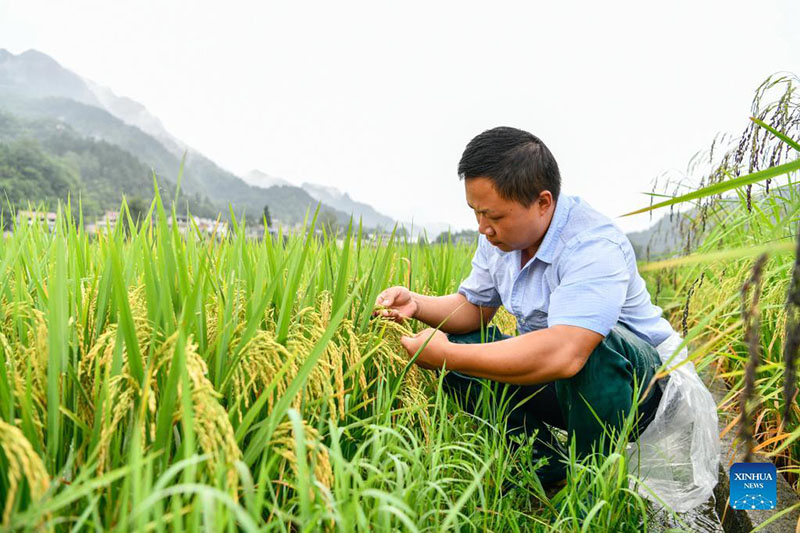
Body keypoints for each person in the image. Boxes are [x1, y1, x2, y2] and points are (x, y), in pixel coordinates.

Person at [374, 126, 682, 488]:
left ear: (543, 202)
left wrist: (446, 356)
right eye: (476, 213)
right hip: (563, 379)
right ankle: (546, 471)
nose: (483, 228)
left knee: (593, 346)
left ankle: (591, 484)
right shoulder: (499, 240)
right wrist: (416, 303)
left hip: (640, 389)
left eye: (495, 217)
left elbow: (567, 353)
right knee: (463, 346)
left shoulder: (592, 244)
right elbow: (473, 309)